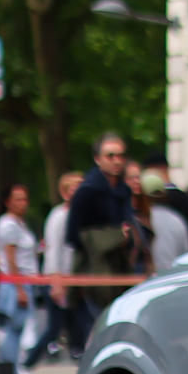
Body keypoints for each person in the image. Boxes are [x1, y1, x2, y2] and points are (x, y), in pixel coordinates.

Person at [67, 133, 137, 331]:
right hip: (94, 269)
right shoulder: (87, 191)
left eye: (121, 155)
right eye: (110, 155)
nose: (117, 161)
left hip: (120, 267)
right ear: (98, 159)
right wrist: (110, 238)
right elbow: (72, 235)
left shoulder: (124, 190)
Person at [0, 182, 42, 374]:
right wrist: (19, 288)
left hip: (26, 280)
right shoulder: (8, 225)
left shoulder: (20, 223)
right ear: (7, 201)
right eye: (18, 199)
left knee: (18, 331)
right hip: (16, 282)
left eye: (24, 198)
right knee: (13, 331)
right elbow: (10, 259)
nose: (23, 203)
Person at [31, 169, 82, 366]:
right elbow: (53, 250)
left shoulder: (77, 215)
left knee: (78, 326)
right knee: (53, 328)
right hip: (59, 278)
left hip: (73, 278)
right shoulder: (59, 217)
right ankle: (27, 364)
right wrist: (56, 281)